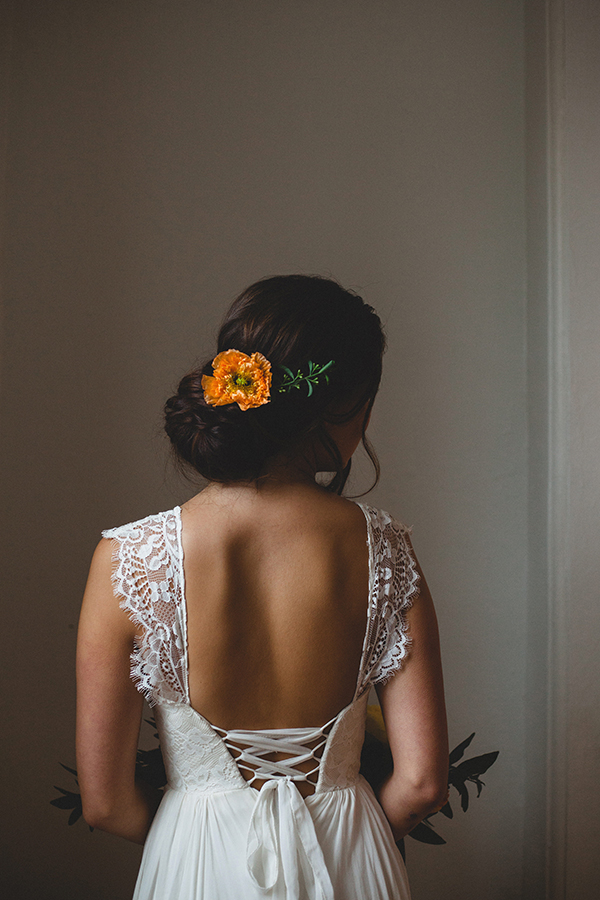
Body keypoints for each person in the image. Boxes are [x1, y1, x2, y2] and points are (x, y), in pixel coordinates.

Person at [76, 274, 448, 900]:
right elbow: (422, 784)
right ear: (345, 404)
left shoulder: (129, 559)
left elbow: (106, 804)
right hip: (350, 861)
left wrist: (196, 834)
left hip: (197, 866)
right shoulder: (385, 550)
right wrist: (349, 835)